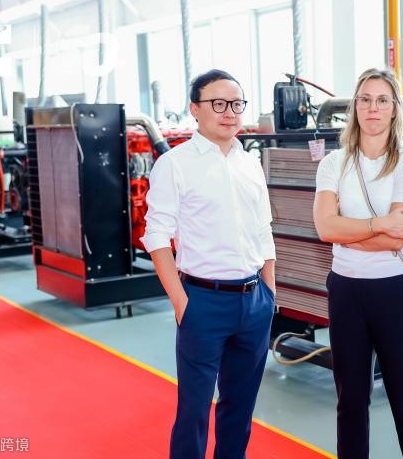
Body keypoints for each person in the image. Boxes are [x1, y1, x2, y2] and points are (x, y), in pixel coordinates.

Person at [141, 69, 277, 459]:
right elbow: (156, 236)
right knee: (194, 410)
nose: (229, 112)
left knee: (240, 408)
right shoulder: (175, 164)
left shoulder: (249, 163)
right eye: (218, 104)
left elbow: (263, 229)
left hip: (254, 300)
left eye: (236, 104)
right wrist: (181, 303)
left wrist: (269, 292)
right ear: (195, 109)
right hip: (202, 302)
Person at [313, 68, 403, 459]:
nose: (373, 108)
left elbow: (397, 238)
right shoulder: (333, 163)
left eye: (382, 100)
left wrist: (348, 231)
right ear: (354, 107)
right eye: (365, 99)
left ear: (394, 108)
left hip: (395, 290)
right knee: (350, 402)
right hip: (346, 291)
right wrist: (378, 224)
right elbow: (324, 228)